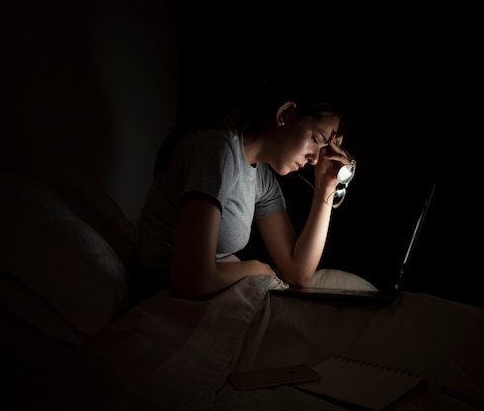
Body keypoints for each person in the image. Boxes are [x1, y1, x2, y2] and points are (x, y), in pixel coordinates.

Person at [134, 71, 376, 301]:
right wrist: (255, 268)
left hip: (200, 296)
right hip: (158, 293)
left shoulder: (262, 177)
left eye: (322, 149)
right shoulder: (218, 150)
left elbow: (298, 271)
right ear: (285, 114)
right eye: (316, 139)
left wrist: (327, 184)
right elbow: (192, 280)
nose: (315, 158)